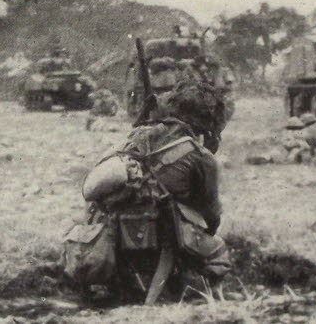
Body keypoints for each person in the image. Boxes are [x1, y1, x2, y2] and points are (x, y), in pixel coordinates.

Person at [65, 80, 230, 302]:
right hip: (161, 240)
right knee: (218, 251)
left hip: (112, 239)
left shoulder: (136, 137)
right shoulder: (200, 155)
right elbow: (211, 215)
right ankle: (215, 301)